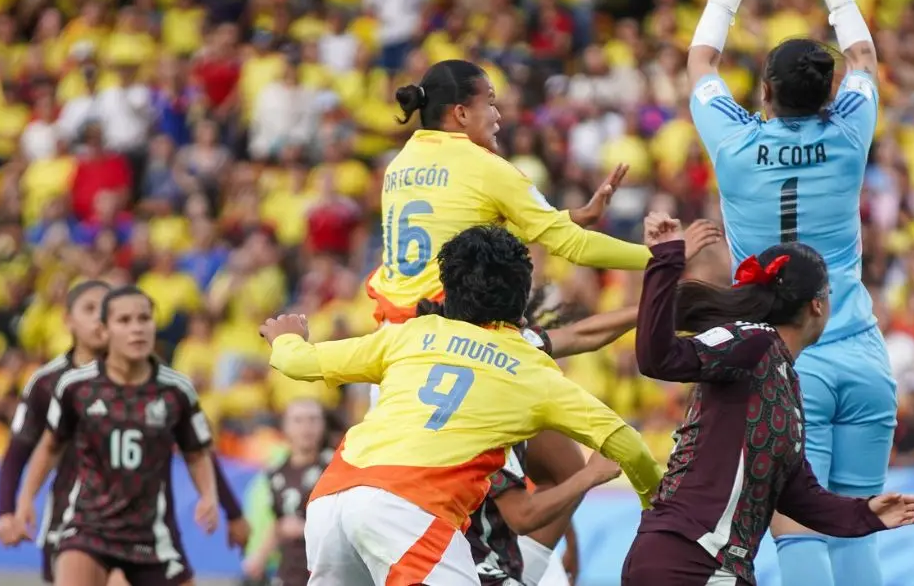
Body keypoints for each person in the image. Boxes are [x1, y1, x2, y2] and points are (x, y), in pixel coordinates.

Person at [366, 57, 655, 580]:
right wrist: (662, 260)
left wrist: (561, 218)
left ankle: (519, 571)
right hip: (457, 350)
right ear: (460, 113)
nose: (498, 113)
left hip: (399, 349)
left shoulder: (402, 163)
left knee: (546, 477)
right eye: (490, 102)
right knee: (544, 485)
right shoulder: (486, 167)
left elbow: (462, 235)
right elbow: (572, 248)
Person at [259, 225, 663, 586]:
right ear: (522, 299)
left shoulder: (410, 333)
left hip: (333, 500)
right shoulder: (531, 370)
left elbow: (299, 363)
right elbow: (627, 445)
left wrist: (286, 338)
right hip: (411, 511)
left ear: (447, 289)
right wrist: (653, 508)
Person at [686, 0, 896, 586]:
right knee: (860, 514)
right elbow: (863, 56)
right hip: (861, 348)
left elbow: (700, 62)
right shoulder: (849, 132)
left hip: (785, 358)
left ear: (766, 92)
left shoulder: (737, 143)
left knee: (797, 521)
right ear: (832, 92)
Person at [623, 214, 914, 586]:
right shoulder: (754, 342)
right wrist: (666, 260)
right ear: (817, 305)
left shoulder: (783, 379)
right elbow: (660, 358)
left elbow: (799, 496)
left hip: (704, 563)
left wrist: (866, 514)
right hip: (691, 559)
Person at [0, 281, 250, 584]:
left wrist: (221, 504)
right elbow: (32, 450)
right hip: (81, 523)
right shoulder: (58, 384)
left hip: (150, 526)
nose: (136, 328)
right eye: (123, 319)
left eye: (143, 318)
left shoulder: (171, 389)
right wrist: (13, 507)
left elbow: (197, 450)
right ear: (76, 321)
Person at [414, 297, 640, 586]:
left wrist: (651, 307)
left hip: (458, 546)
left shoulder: (500, 347)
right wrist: (591, 476)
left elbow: (582, 334)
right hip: (459, 563)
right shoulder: (488, 399)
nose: (524, 323)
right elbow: (522, 515)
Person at [241, 398, 335, 586]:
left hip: (330, 572)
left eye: (313, 419)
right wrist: (259, 557)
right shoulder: (274, 472)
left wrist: (305, 528)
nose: (306, 427)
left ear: (323, 424)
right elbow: (279, 524)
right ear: (284, 427)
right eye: (298, 420)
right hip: (289, 573)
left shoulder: (336, 467)